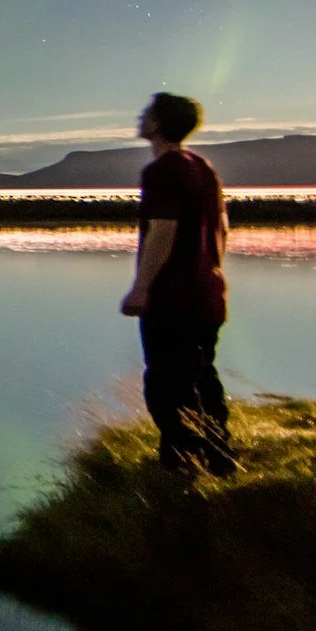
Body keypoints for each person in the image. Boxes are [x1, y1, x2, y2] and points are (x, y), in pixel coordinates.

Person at [120, 92, 235, 475]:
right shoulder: (202, 167)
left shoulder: (163, 170)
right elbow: (222, 229)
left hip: (174, 300)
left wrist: (141, 287)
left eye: (147, 112)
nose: (140, 116)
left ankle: (181, 467)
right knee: (202, 378)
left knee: (166, 387)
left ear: (158, 123)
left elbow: (162, 232)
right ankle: (218, 458)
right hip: (208, 296)